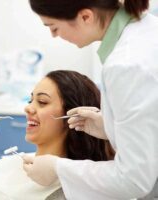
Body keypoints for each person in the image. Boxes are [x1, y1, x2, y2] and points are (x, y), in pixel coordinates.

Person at [23, 0, 158, 199]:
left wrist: (58, 168)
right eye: (30, 100)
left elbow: (134, 181)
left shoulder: (126, 64)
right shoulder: (146, 32)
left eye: (54, 27)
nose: (53, 35)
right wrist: (111, 128)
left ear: (86, 16)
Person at [0, 70, 114, 200]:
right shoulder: (6, 163)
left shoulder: (71, 189)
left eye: (42, 102)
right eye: (30, 100)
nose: (28, 108)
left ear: (74, 115)